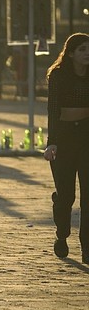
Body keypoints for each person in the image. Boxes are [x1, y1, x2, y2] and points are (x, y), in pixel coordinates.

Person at [43, 33, 89, 263]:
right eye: (82, 49)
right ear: (70, 53)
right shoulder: (58, 75)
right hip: (64, 138)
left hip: (86, 138)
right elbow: (53, 110)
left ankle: (87, 247)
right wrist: (52, 141)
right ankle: (62, 235)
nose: (87, 53)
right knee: (66, 196)